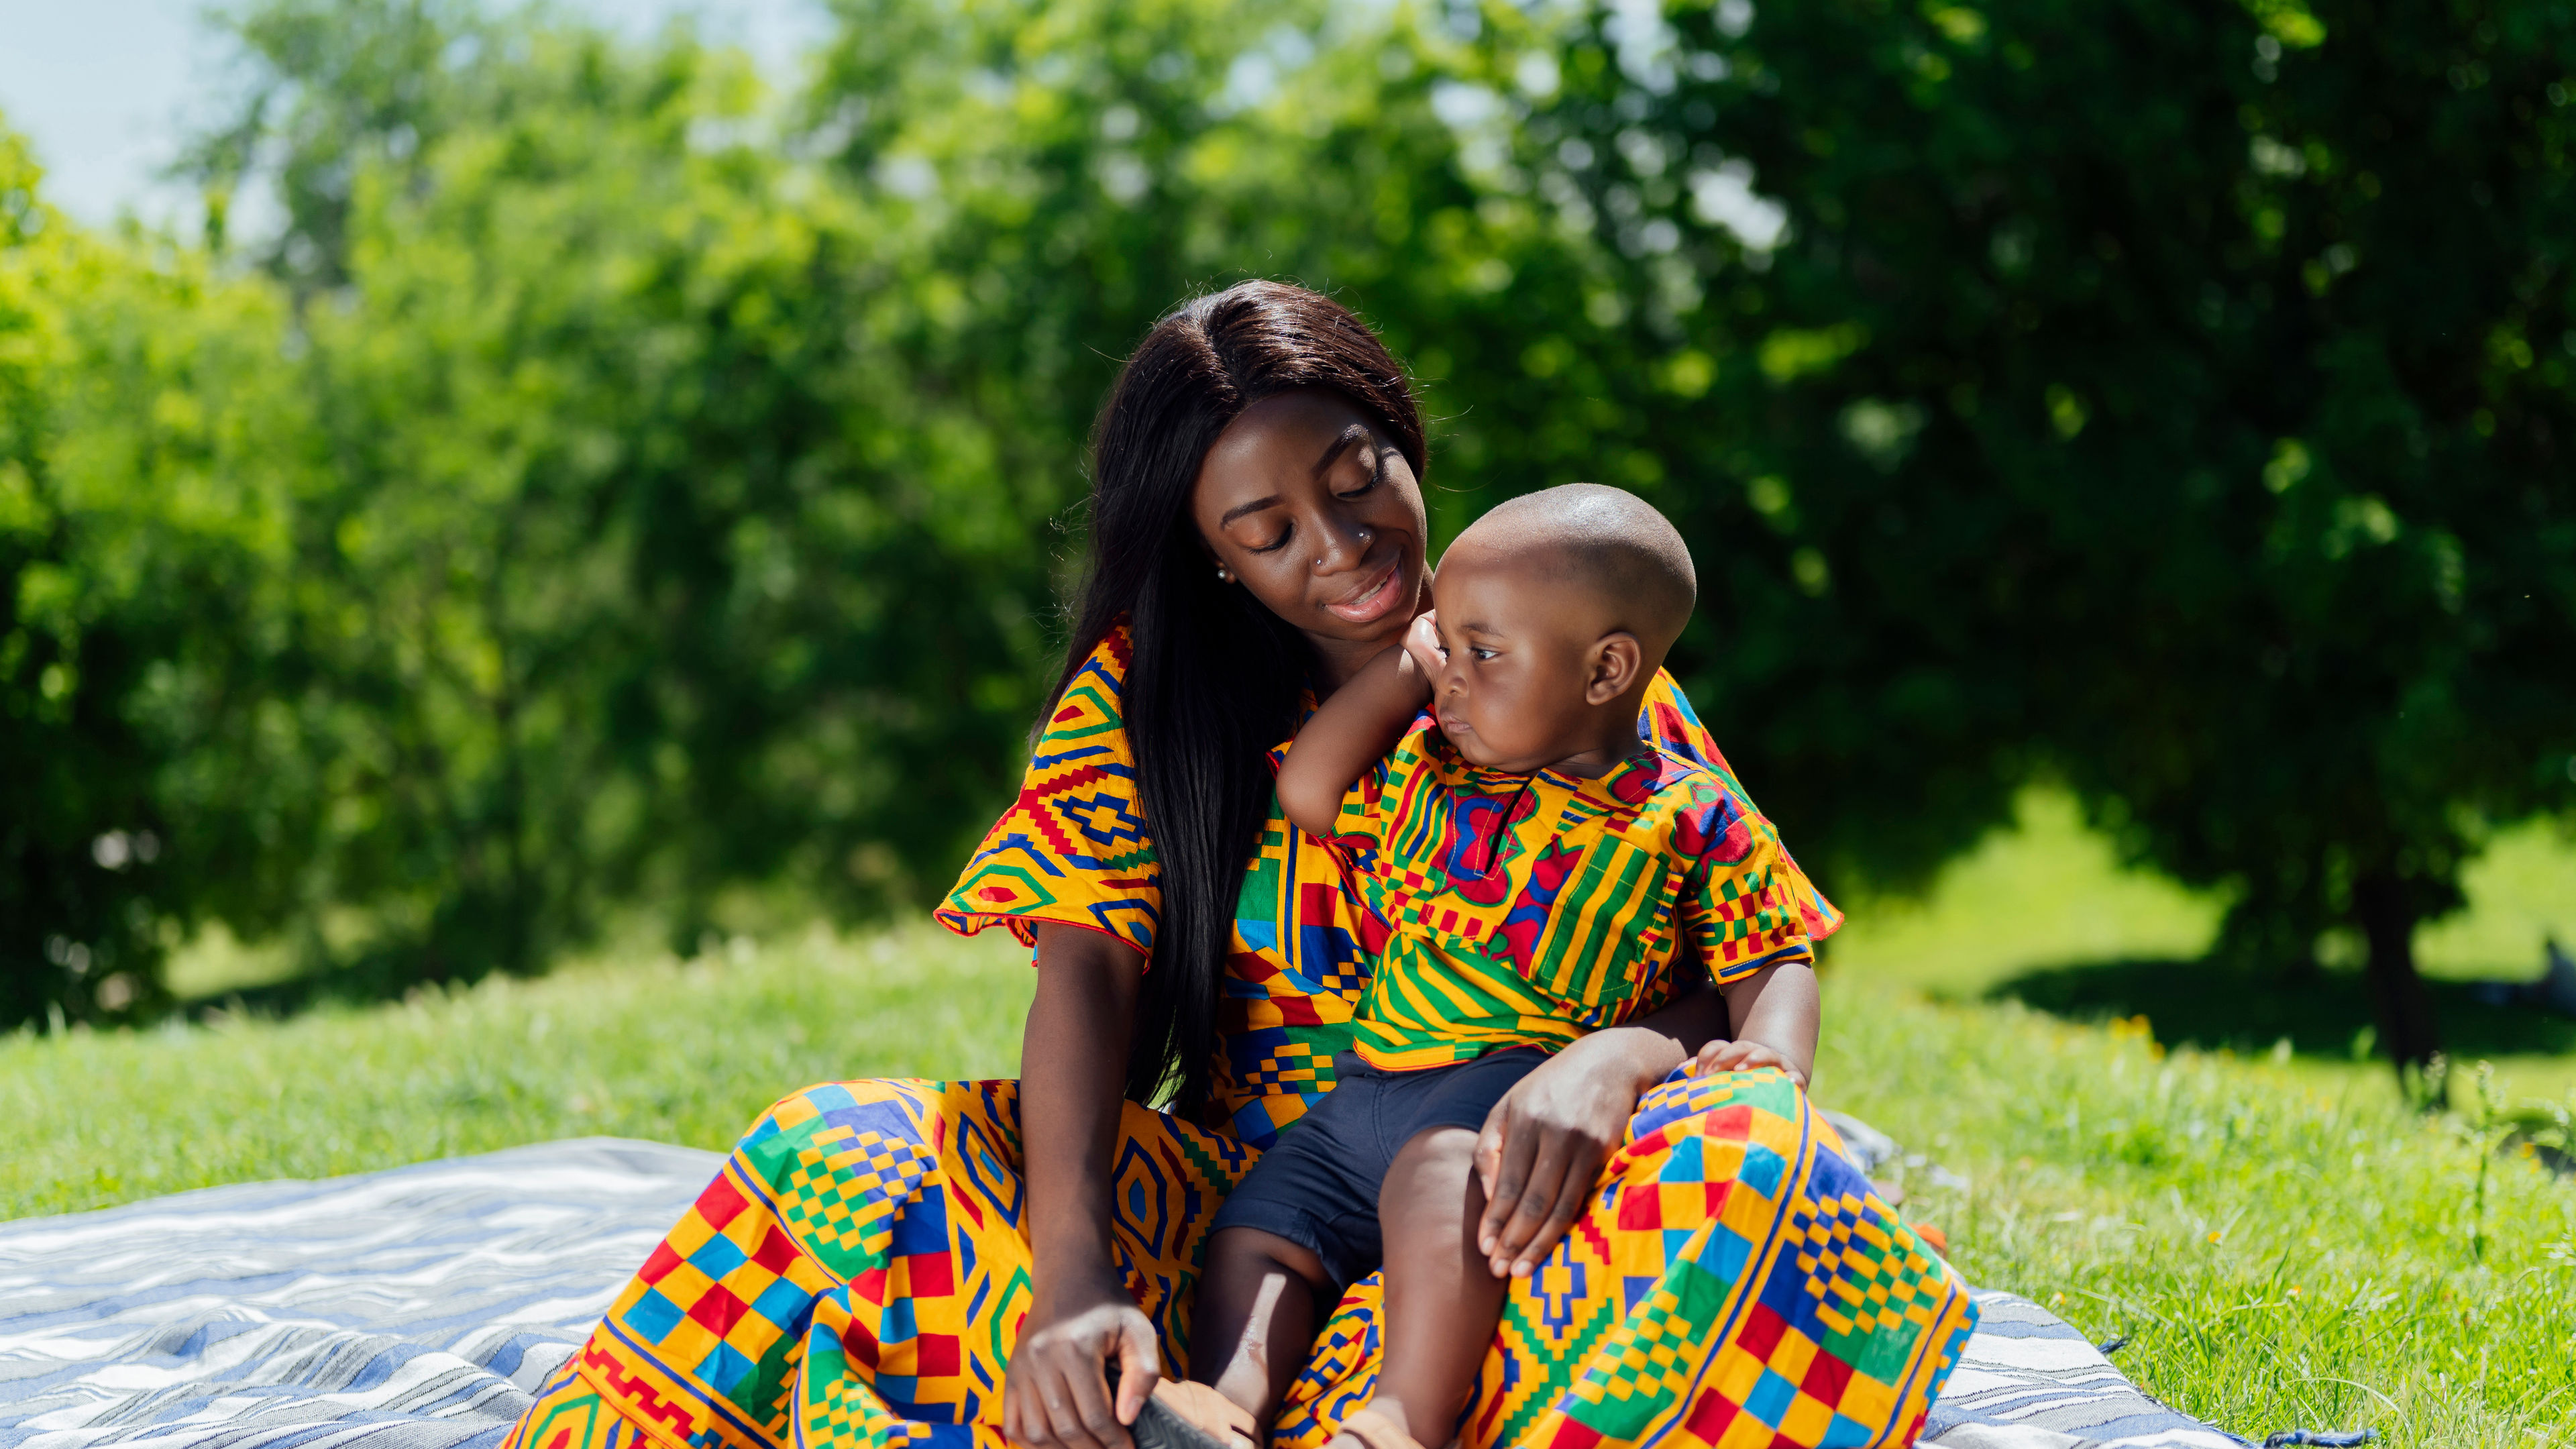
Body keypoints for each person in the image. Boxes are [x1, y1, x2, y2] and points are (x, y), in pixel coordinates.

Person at [504, 280, 1976, 1449]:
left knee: (1762, 1166)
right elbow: (1083, 983)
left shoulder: (1577, 655)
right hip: (1236, 1219)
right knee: (835, 1151)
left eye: (1361, 476)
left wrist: (1622, 1060)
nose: (1343, 545)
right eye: (1268, 531)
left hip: (1511, 1227)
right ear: (1212, 553)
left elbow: (1746, 946)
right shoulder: (1146, 700)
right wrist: (1072, 1295)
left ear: (1405, 437)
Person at [1159, 485, 1831, 1449]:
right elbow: (1309, 789)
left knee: (1446, 1188)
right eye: (1446, 649)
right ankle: (1230, 1400)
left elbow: (1770, 949)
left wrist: (1773, 1053)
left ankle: (1402, 1419)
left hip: (1505, 1096)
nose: (1451, 678)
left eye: (1479, 652)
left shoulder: (1690, 815)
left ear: (1607, 670)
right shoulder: (1430, 770)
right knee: (1258, 1230)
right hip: (1356, 1100)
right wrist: (1405, 671)